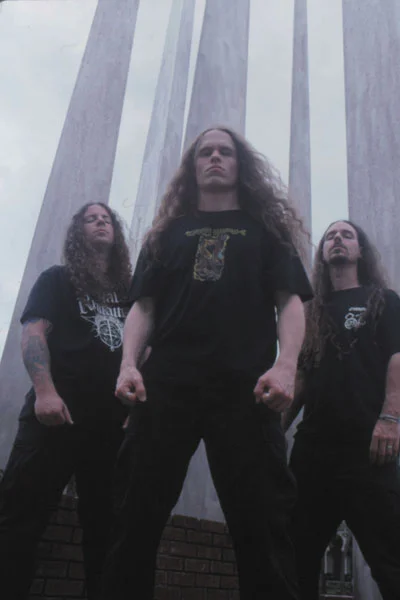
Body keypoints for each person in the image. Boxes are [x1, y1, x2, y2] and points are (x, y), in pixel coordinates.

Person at [101, 127, 312, 600]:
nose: (215, 157)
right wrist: (128, 364)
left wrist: (286, 366)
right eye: (205, 152)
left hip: (246, 388)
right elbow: (143, 307)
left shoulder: (266, 231)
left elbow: (290, 301)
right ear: (192, 167)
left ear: (240, 164)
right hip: (165, 385)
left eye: (225, 151)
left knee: (263, 523)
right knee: (134, 515)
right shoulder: (165, 234)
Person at [0, 203, 132, 600]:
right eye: (91, 218)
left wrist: (137, 409)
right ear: (78, 233)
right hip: (56, 415)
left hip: (111, 427)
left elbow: (144, 351)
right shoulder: (57, 280)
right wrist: (45, 392)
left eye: (106, 218)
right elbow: (33, 332)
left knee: (106, 530)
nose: (101, 222)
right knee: (19, 518)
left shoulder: (130, 295)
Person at [284, 220, 400, 600]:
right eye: (330, 235)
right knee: (294, 560)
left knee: (391, 561)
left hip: (370, 449)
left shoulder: (384, 300)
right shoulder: (310, 311)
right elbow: (300, 376)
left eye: (346, 234)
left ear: (360, 250)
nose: (337, 239)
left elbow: (397, 359)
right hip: (313, 453)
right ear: (322, 252)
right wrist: (273, 430)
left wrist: (390, 418)